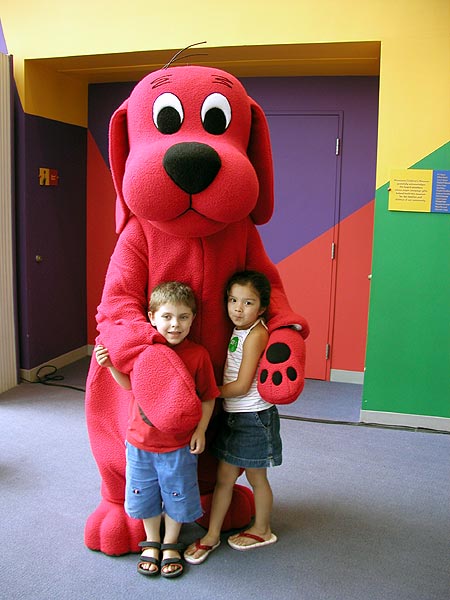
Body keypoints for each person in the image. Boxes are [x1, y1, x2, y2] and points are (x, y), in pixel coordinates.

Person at [95, 282, 219, 578]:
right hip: (140, 442)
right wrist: (112, 365)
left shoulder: (198, 355)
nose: (175, 325)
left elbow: (208, 396)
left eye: (184, 317)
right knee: (144, 492)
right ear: (152, 317)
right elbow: (130, 386)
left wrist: (200, 430)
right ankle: (152, 542)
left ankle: (171, 542)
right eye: (167, 317)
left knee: (178, 493)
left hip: (179, 445)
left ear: (192, 319)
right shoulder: (144, 351)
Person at [184, 270, 281, 565]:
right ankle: (212, 536)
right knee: (224, 478)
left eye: (248, 302)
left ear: (262, 307)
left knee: (256, 477)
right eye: (232, 300)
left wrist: (207, 393)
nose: (238, 309)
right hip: (235, 417)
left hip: (254, 417)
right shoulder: (238, 330)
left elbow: (240, 386)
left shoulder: (257, 333)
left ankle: (263, 529)